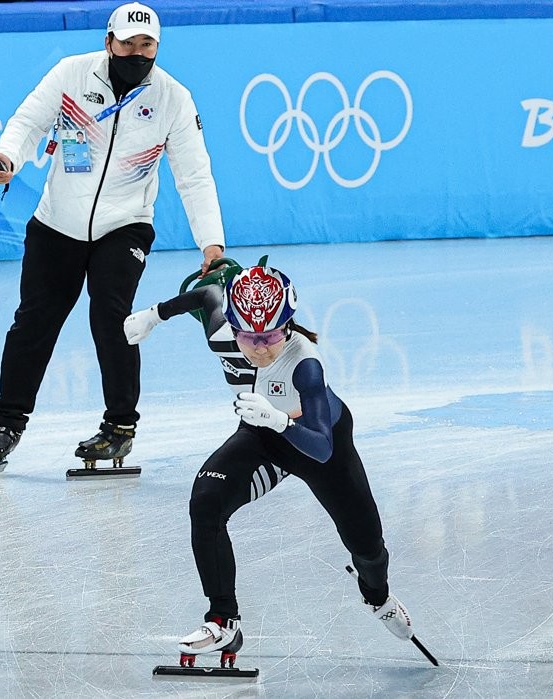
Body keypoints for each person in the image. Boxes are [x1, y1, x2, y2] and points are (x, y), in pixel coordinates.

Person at [123, 264, 414, 662]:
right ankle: (223, 621)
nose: (259, 347)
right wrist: (153, 316)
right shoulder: (221, 324)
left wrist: (278, 419)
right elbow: (203, 296)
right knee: (206, 500)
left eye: (271, 336)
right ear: (231, 325)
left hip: (319, 442)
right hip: (261, 436)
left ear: (288, 326)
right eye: (248, 336)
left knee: (368, 549)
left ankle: (378, 597)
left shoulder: (304, 363)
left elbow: (322, 448)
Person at [0, 2, 225, 475]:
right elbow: (29, 120)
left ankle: (119, 427)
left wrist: (210, 243)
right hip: (57, 223)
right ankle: (9, 422)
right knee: (35, 321)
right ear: (108, 41)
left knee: (112, 315)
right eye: (128, 43)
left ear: (158, 46)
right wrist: (9, 156)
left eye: (147, 45)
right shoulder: (71, 75)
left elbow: (194, 175)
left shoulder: (173, 98)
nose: (137, 53)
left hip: (125, 223)